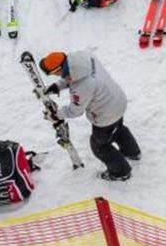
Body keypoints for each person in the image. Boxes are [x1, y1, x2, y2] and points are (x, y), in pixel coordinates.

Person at [39, 51, 137, 181]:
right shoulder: (83, 58)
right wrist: (58, 86)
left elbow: (75, 111)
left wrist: (56, 114)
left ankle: (121, 172)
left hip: (106, 115)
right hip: (117, 101)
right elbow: (73, 75)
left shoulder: (81, 86)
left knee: (99, 146)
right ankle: (132, 152)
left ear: (58, 69)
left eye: (53, 73)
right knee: (118, 129)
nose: (55, 76)